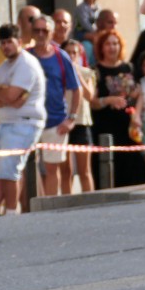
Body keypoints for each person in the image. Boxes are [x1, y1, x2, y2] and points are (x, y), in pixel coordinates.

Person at [0, 23, 45, 217]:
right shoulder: (3, 67)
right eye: (2, 43)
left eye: (9, 41)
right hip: (5, 121)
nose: (6, 46)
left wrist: (3, 93)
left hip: (25, 121)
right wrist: (6, 95)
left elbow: (6, 96)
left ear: (19, 41)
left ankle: (12, 212)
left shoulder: (27, 64)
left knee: (10, 167)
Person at [30, 14, 82, 197]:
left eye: (45, 30)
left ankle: (49, 208)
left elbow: (76, 89)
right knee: (29, 169)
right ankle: (33, 206)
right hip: (30, 122)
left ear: (52, 33)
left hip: (56, 122)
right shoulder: (26, 56)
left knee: (52, 169)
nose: (41, 34)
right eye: (37, 30)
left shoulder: (62, 56)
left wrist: (71, 119)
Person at [90, 29, 145, 187]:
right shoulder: (96, 71)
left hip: (128, 127)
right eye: (108, 43)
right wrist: (109, 100)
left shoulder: (129, 68)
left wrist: (137, 115)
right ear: (101, 47)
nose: (112, 47)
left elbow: (140, 94)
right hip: (105, 126)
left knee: (132, 167)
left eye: (115, 43)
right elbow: (92, 101)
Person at [62, 39, 96, 193]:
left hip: (82, 122)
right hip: (63, 122)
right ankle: (66, 204)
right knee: (65, 171)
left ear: (79, 55)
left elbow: (90, 96)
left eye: (74, 53)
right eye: (67, 52)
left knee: (85, 170)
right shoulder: (58, 73)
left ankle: (91, 202)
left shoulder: (87, 73)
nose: (70, 56)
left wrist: (77, 75)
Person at [0, 4, 40, 75]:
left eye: (38, 20)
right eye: (32, 19)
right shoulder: (7, 47)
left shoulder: (38, 44)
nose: (36, 24)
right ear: (19, 22)